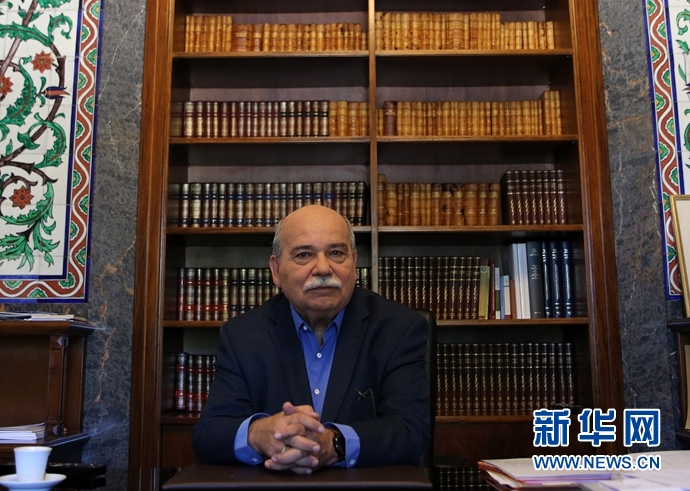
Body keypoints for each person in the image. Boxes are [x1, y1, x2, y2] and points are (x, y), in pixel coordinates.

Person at [191, 204, 429, 474]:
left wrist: (334, 443)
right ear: (276, 271)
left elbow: (411, 431)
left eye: (336, 253)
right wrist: (259, 433)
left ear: (354, 263)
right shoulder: (242, 335)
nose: (323, 268)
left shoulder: (398, 329)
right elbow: (208, 435)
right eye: (304, 255)